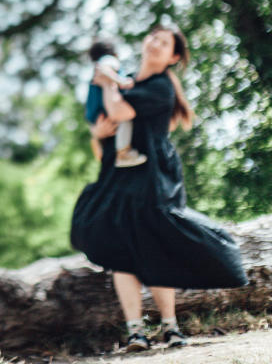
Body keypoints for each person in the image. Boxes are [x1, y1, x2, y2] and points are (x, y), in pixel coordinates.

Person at [71, 25, 248, 352]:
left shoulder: (160, 86)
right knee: (118, 250)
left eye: (164, 42)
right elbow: (102, 127)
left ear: (174, 57)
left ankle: (171, 328)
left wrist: (109, 81)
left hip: (152, 176)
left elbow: (119, 110)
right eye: (152, 36)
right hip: (117, 174)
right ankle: (136, 332)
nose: (154, 43)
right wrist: (98, 133)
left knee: (157, 244)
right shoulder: (126, 78)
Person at [84, 38, 144, 167]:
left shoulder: (95, 70)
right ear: (115, 54)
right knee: (125, 118)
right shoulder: (108, 60)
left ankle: (109, 157)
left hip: (95, 114)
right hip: (105, 108)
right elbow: (105, 70)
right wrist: (120, 81)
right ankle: (123, 152)